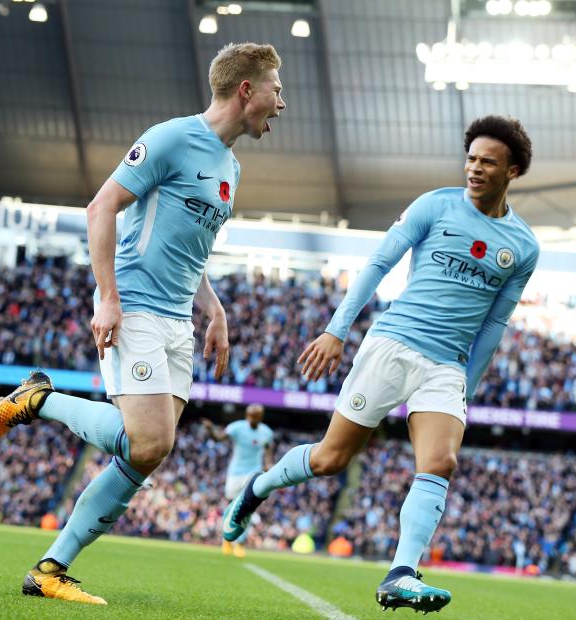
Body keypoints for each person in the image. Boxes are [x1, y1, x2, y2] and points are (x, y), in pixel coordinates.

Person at [0, 42, 286, 605]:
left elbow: (188, 253)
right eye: (276, 88)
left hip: (178, 322)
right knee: (149, 440)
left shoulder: (231, 167)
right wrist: (107, 297)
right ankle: (38, 399)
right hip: (137, 307)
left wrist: (213, 308)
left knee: (147, 452)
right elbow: (101, 209)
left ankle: (51, 568)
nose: (281, 102)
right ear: (247, 90)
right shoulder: (171, 137)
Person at [222, 115, 539, 614]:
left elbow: (495, 326)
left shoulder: (523, 246)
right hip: (392, 345)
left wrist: (466, 391)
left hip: (446, 368)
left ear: (513, 172)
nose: (475, 169)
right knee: (331, 460)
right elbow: (379, 262)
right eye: (471, 159)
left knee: (440, 462)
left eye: (488, 163)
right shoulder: (435, 205)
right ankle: (257, 489)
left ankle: (401, 573)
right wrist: (336, 329)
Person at [201, 403, 273, 557]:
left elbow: (268, 452)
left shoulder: (266, 433)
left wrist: (269, 466)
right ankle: (227, 540)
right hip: (235, 473)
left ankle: (240, 543)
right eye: (251, 416)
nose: (252, 419)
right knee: (231, 507)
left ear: (260, 417)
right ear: (247, 415)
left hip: (253, 473)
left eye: (256, 416)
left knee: (247, 508)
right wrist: (211, 430)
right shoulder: (237, 427)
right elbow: (219, 438)